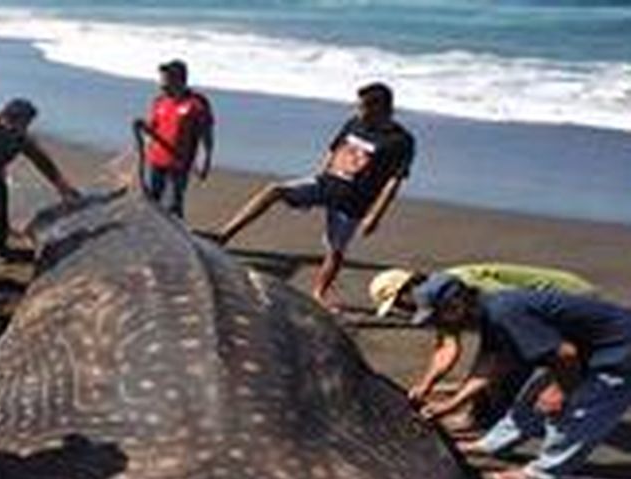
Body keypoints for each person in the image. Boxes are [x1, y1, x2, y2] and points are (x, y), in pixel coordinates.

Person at [412, 273, 631, 479]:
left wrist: (559, 390)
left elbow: (565, 355)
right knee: (532, 398)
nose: (437, 324)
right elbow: (489, 366)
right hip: (587, 351)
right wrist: (450, 405)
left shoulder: (505, 314)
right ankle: (492, 444)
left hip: (620, 354)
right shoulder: (490, 314)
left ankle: (541, 471)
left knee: (576, 415)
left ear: (456, 304)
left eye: (437, 317)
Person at [217, 82, 415, 310]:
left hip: (352, 201)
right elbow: (334, 150)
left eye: (363, 108)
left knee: (335, 250)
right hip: (326, 183)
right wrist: (319, 180)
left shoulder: (400, 141)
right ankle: (224, 235)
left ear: (382, 108)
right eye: (358, 106)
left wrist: (375, 215)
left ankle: (319, 292)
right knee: (274, 190)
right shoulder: (354, 122)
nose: (358, 112)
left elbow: (394, 180)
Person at [370, 263, 597, 430]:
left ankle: (489, 422)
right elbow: (447, 347)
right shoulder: (434, 298)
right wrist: (426, 385)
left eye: (399, 303)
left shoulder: (464, 286)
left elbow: (503, 335)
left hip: (568, 296)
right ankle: (481, 417)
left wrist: (455, 401)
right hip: (519, 314)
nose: (402, 311)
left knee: (519, 360)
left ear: (407, 289)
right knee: (501, 360)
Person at [0, 98, 78, 260]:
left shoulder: (21, 137)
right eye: (20, 123)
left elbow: (41, 160)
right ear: (5, 117)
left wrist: (62, 185)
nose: (23, 128)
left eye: (27, 124)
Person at [133, 60, 213, 219]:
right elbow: (153, 127)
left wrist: (204, 162)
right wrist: (143, 127)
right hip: (155, 161)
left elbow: (206, 137)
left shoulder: (196, 104)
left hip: (178, 165)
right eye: (161, 80)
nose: (162, 85)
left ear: (179, 80)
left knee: (173, 206)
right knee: (153, 203)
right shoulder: (159, 101)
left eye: (166, 80)